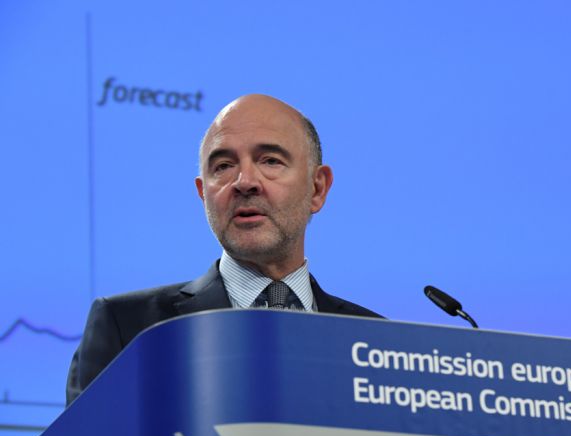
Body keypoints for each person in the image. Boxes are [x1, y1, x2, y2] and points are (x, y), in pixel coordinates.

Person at [66, 94, 382, 405]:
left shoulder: (378, 341)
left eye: (270, 161)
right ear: (203, 194)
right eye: (223, 166)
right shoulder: (129, 329)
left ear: (317, 188)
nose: (244, 182)